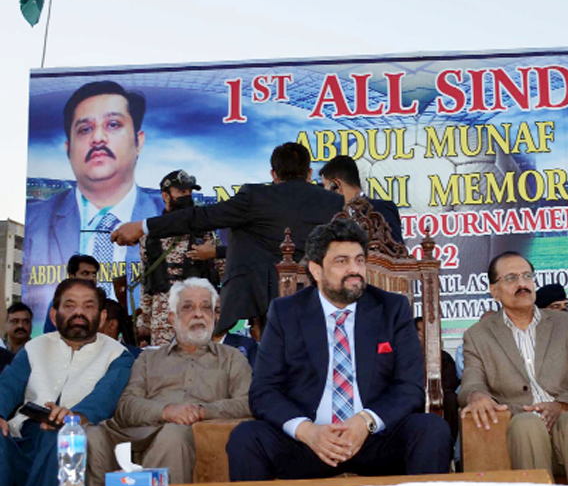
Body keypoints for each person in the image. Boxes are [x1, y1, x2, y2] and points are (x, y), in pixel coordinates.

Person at [226, 219, 451, 480]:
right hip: (309, 443)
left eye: (359, 260)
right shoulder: (286, 312)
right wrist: (307, 431)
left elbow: (409, 387)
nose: (354, 270)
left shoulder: (392, 309)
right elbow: (264, 391)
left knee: (431, 429)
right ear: (316, 270)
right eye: (342, 261)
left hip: (374, 437)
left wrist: (365, 422)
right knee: (246, 437)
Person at [111, 142, 344, 340]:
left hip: (266, 305)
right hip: (322, 303)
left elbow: (201, 218)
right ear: (310, 173)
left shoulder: (255, 198)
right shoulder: (334, 203)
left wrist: (142, 226)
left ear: (273, 174)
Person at [23, 81, 164, 332]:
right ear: (68, 148)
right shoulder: (35, 221)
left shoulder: (164, 221)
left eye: (113, 124)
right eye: (85, 129)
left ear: (138, 141)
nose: (98, 138)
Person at [87, 278, 251, 486]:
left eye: (206, 308)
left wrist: (202, 411)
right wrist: (165, 411)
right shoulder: (148, 358)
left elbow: (247, 402)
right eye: (188, 307)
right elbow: (127, 405)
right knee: (91, 435)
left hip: (181, 436)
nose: (198, 314)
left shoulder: (232, 358)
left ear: (215, 316)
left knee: (174, 433)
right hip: (137, 433)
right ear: (172, 318)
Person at [459, 251, 568, 485]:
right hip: (520, 423)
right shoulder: (479, 335)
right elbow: (472, 381)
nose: (522, 284)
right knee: (527, 424)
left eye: (527, 276)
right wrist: (477, 396)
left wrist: (562, 405)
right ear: (494, 291)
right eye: (511, 278)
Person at [0, 278, 134, 486]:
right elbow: (8, 385)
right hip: (22, 437)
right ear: (54, 315)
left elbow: (105, 397)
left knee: (63, 437)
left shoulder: (117, 355)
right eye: (70, 306)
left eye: (88, 306)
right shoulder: (35, 347)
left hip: (70, 438)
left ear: (101, 317)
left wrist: (75, 417)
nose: (78, 313)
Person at [137, 170, 225, 346]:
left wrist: (220, 314)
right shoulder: (150, 235)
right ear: (165, 196)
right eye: (181, 192)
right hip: (163, 318)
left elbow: (223, 272)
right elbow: (147, 281)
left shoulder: (204, 232)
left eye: (189, 192)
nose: (187, 196)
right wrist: (143, 323)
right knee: (164, 367)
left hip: (198, 314)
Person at [319, 155, 404, 244]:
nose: (325, 193)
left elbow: (397, 249)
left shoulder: (381, 208)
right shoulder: (332, 217)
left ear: (336, 185)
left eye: (325, 186)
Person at [414, 316, 460, 442]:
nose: (423, 336)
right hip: (415, 394)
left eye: (427, 332)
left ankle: (449, 444)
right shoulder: (407, 357)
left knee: (450, 398)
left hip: (440, 395)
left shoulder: (444, 357)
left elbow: (452, 382)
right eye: (420, 333)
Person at [42, 254, 101, 333]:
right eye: (85, 273)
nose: (91, 278)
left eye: (94, 274)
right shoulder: (58, 303)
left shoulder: (100, 302)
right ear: (71, 276)